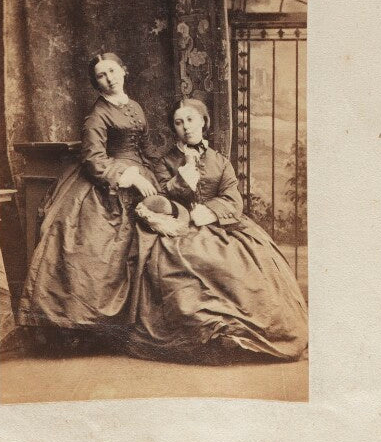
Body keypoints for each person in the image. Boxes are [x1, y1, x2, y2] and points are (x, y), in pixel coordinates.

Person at [127, 98, 308, 362]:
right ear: (173, 128)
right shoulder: (165, 162)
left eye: (191, 120)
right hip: (183, 228)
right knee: (191, 261)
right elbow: (161, 197)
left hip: (222, 225)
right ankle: (210, 336)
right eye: (179, 122)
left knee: (246, 264)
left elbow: (232, 198)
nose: (186, 127)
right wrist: (181, 184)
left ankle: (243, 332)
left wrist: (211, 211)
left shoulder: (220, 162)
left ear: (204, 122)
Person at [17, 52, 157, 344]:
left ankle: (142, 322)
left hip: (141, 174)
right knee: (98, 245)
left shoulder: (135, 107)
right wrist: (128, 177)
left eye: (112, 71)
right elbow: (94, 159)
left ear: (124, 70)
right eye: (101, 76)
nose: (109, 79)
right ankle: (94, 325)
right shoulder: (98, 114)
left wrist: (150, 175)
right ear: (96, 83)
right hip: (108, 180)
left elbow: (143, 149)